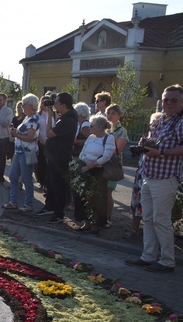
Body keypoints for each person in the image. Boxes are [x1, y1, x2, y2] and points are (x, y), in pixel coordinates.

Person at [125, 84, 183, 273]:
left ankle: (167, 261)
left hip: (166, 177)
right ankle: (148, 256)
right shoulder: (161, 120)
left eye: (174, 100)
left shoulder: (180, 122)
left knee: (161, 219)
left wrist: (161, 152)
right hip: (149, 174)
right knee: (148, 218)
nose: (168, 103)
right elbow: (153, 141)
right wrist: (145, 143)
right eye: (165, 99)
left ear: (181, 101)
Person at [73, 115, 116, 233]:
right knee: (83, 196)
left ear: (99, 127)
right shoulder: (91, 137)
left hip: (99, 171)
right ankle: (86, 222)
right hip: (86, 169)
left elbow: (107, 156)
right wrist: (86, 163)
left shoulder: (109, 138)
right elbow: (82, 154)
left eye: (92, 126)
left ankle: (96, 224)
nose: (90, 128)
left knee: (97, 198)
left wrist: (91, 165)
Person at [41, 92, 78, 224]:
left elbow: (49, 133)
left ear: (63, 105)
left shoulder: (68, 120)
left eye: (56, 102)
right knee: (50, 184)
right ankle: (50, 207)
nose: (54, 105)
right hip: (54, 157)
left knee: (58, 187)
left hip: (60, 158)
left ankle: (59, 214)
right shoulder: (65, 117)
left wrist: (50, 116)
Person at [4, 94, 40, 212]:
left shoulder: (33, 118)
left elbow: (30, 137)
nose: (22, 107)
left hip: (26, 152)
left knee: (26, 178)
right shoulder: (27, 118)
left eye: (23, 104)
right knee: (14, 176)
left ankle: (28, 204)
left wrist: (16, 134)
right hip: (19, 151)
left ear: (31, 105)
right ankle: (13, 201)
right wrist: (15, 132)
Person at [105, 104, 129, 227]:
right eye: (108, 113)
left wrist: (101, 149)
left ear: (119, 115)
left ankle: (108, 219)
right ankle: (98, 217)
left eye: (113, 113)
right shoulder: (104, 128)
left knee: (108, 192)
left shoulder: (121, 131)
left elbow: (117, 149)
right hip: (100, 164)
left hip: (112, 166)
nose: (109, 115)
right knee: (99, 191)